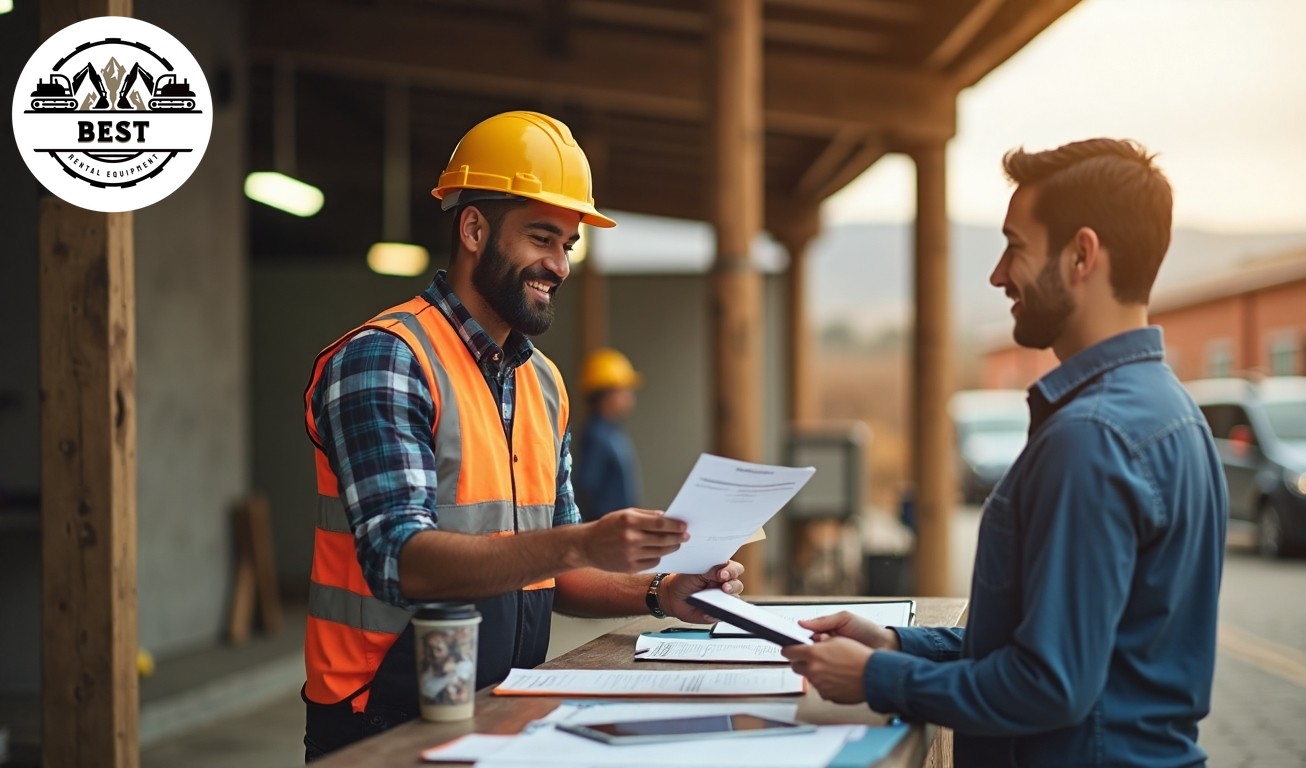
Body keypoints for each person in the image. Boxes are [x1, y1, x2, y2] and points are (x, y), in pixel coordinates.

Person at [301, 110, 744, 761]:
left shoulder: (544, 384)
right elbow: (401, 560)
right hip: (381, 719)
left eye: (568, 245)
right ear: (474, 229)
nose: (559, 265)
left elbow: (555, 574)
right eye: (542, 237)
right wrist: (581, 540)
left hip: (502, 706)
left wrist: (660, 591)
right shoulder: (388, 359)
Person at [781, 139, 1228, 767]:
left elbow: (1049, 685)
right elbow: (1050, 643)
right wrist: (893, 643)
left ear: (1081, 254)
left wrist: (877, 678)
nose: (997, 274)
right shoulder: (1177, 416)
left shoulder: (1091, 439)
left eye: (1015, 246)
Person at [575, 347, 643, 520]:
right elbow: (587, 491)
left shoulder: (611, 432)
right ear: (607, 394)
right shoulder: (596, 435)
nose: (630, 398)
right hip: (607, 536)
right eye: (625, 391)